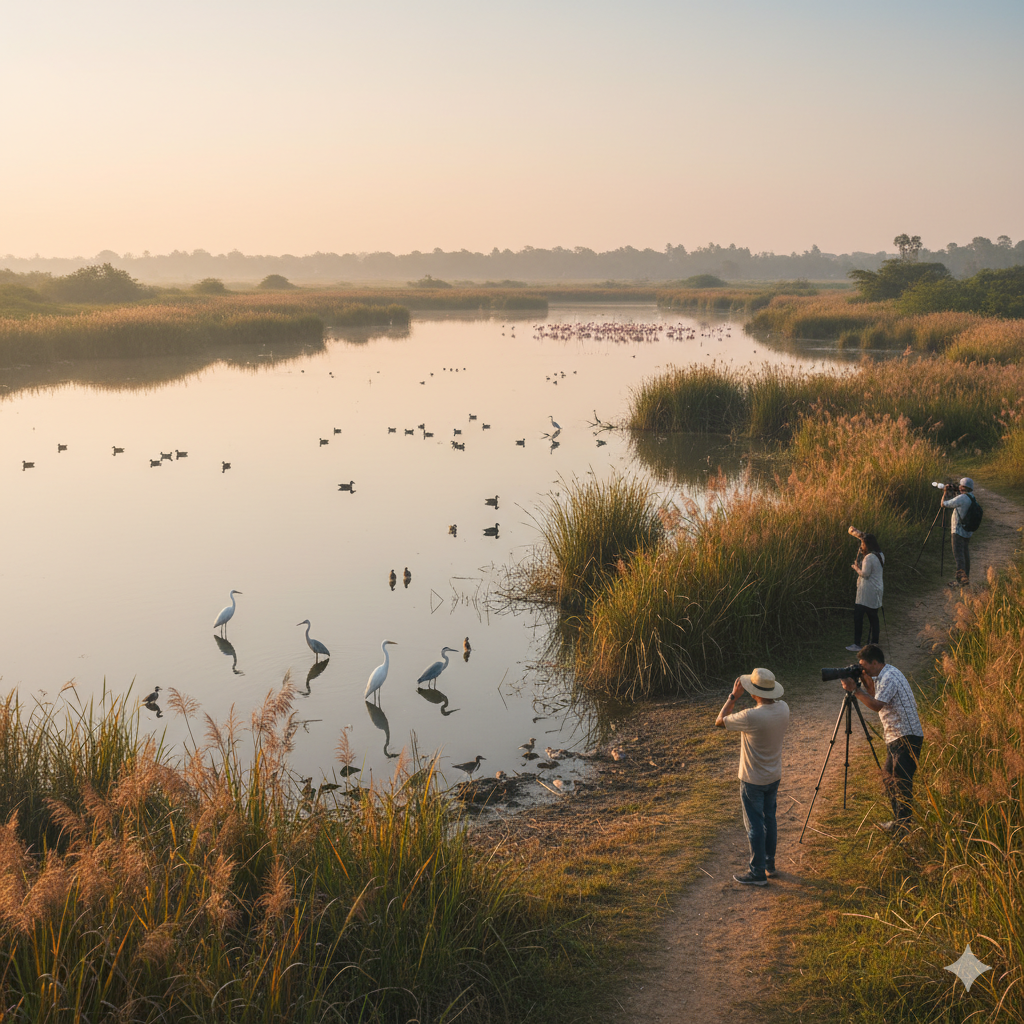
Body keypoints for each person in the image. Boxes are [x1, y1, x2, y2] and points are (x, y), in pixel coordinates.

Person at [715, 667, 790, 885]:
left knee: (754, 825)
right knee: (770, 819)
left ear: (754, 693)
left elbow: (720, 721)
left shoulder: (750, 716)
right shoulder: (784, 708)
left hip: (752, 779)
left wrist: (732, 697)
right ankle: (769, 864)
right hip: (774, 775)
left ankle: (757, 873)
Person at [840, 644, 923, 832]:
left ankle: (904, 827)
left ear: (875, 662)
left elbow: (876, 705)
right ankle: (900, 823)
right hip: (898, 736)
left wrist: (855, 690)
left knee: (901, 782)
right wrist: (863, 681)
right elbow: (875, 694)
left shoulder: (889, 677)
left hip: (905, 737)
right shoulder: (886, 674)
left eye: (864, 666)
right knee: (890, 779)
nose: (863, 669)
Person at [846, 527, 884, 653]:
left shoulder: (869, 558)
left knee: (858, 617)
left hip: (866, 592)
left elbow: (865, 574)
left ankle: (857, 643)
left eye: (863, 544)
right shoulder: (880, 555)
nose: (861, 546)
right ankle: (875, 642)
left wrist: (856, 568)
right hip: (877, 590)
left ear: (867, 544)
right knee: (874, 618)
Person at [941, 477, 975, 587]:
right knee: (965, 555)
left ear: (962, 487)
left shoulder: (961, 498)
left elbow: (944, 504)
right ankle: (966, 578)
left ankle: (960, 582)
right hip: (967, 531)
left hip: (958, 532)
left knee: (959, 556)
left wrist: (945, 493)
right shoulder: (971, 497)